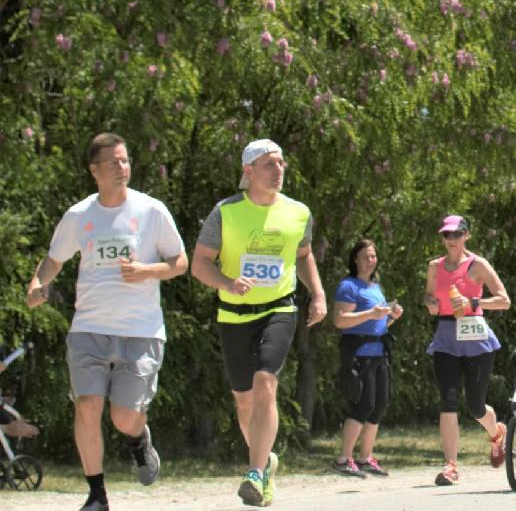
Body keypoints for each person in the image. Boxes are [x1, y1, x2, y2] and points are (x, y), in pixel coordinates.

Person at [25, 133, 186, 511]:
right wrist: (36, 284)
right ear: (94, 170)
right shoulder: (80, 216)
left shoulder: (151, 211)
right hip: (89, 328)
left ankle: (139, 439)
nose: (121, 167)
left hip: (140, 330)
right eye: (113, 162)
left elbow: (180, 263)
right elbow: (53, 260)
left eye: (125, 160)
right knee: (86, 405)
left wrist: (147, 270)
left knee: (123, 416)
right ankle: (97, 496)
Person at [190, 139, 327, 507]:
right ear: (248, 171)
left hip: (279, 308)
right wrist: (227, 283)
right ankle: (265, 464)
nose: (279, 169)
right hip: (233, 313)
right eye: (269, 164)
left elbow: (304, 255)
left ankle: (252, 473)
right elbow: (199, 263)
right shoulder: (226, 212)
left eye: (282, 163)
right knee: (243, 400)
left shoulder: (298, 212)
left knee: (266, 380)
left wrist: (317, 294)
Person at [423, 215, 511, 486]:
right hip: (446, 336)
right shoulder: (434, 267)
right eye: (447, 236)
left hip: (475, 337)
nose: (451, 240)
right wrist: (430, 303)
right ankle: (450, 465)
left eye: (457, 235)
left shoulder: (478, 265)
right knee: (447, 400)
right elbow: (428, 295)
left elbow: (504, 301)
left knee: (475, 407)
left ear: (466, 236)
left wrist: (473, 301)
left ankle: (496, 433)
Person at [332, 240, 403, 478]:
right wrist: (372, 313)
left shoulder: (375, 287)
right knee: (363, 405)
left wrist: (391, 317)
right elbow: (341, 320)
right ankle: (344, 458)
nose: (370, 260)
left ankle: (365, 458)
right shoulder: (349, 286)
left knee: (379, 405)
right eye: (365, 256)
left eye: (373, 256)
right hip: (358, 355)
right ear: (355, 259)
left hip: (379, 353)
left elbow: (377, 324)